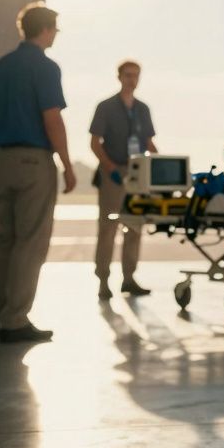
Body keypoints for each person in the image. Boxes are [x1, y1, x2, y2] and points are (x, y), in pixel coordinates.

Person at [0, 2, 75, 344]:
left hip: (2, 159)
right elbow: (52, 119)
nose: (55, 36)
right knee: (30, 242)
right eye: (55, 30)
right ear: (45, 30)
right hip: (33, 161)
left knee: (4, 239)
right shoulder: (45, 67)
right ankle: (15, 320)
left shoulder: (0, 67)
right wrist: (67, 165)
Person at [88, 60, 157, 299]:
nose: (132, 80)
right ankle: (103, 279)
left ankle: (129, 278)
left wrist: (160, 166)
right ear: (119, 77)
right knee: (108, 228)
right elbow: (95, 143)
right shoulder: (106, 107)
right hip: (113, 174)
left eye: (136, 75)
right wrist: (111, 169)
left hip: (137, 173)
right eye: (128, 75)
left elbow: (148, 143)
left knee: (135, 227)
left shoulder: (143, 109)